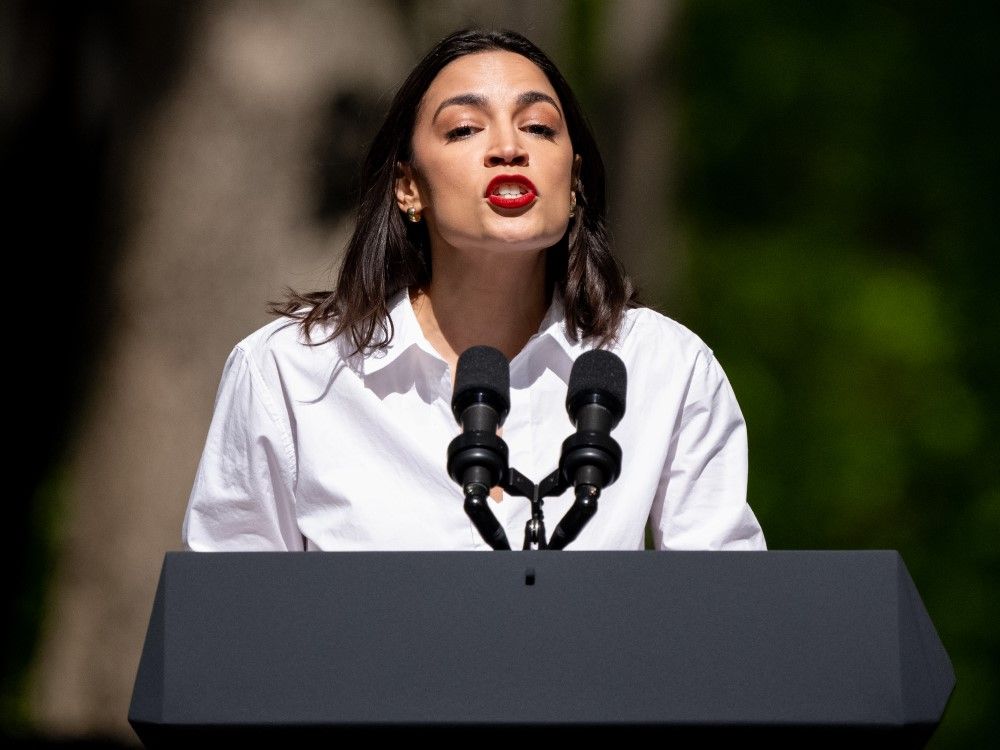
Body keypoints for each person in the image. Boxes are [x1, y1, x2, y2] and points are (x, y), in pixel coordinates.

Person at [181, 28, 766, 552]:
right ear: (408, 187)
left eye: (538, 127)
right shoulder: (289, 373)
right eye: (464, 129)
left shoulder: (665, 366)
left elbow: (727, 619)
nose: (509, 148)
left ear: (573, 184)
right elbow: (230, 632)